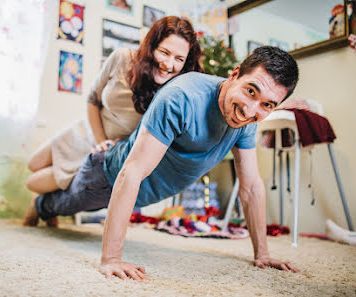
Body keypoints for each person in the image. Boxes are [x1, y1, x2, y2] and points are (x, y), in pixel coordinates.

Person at [24, 46, 300, 280]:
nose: (251, 111)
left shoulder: (248, 118)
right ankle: (39, 205)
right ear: (236, 73)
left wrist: (262, 254)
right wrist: (111, 258)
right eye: (251, 91)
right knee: (62, 203)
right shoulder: (183, 97)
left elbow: (250, 185)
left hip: (139, 191)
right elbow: (131, 173)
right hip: (107, 176)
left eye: (267, 105)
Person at [23, 16, 202, 226]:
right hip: (88, 131)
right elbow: (92, 99)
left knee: (32, 183)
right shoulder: (122, 58)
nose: (169, 64)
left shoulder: (173, 92)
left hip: (100, 154)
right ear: (151, 46)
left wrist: (103, 147)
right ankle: (47, 209)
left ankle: (40, 205)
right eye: (164, 52)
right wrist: (99, 139)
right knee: (33, 164)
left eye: (179, 59)